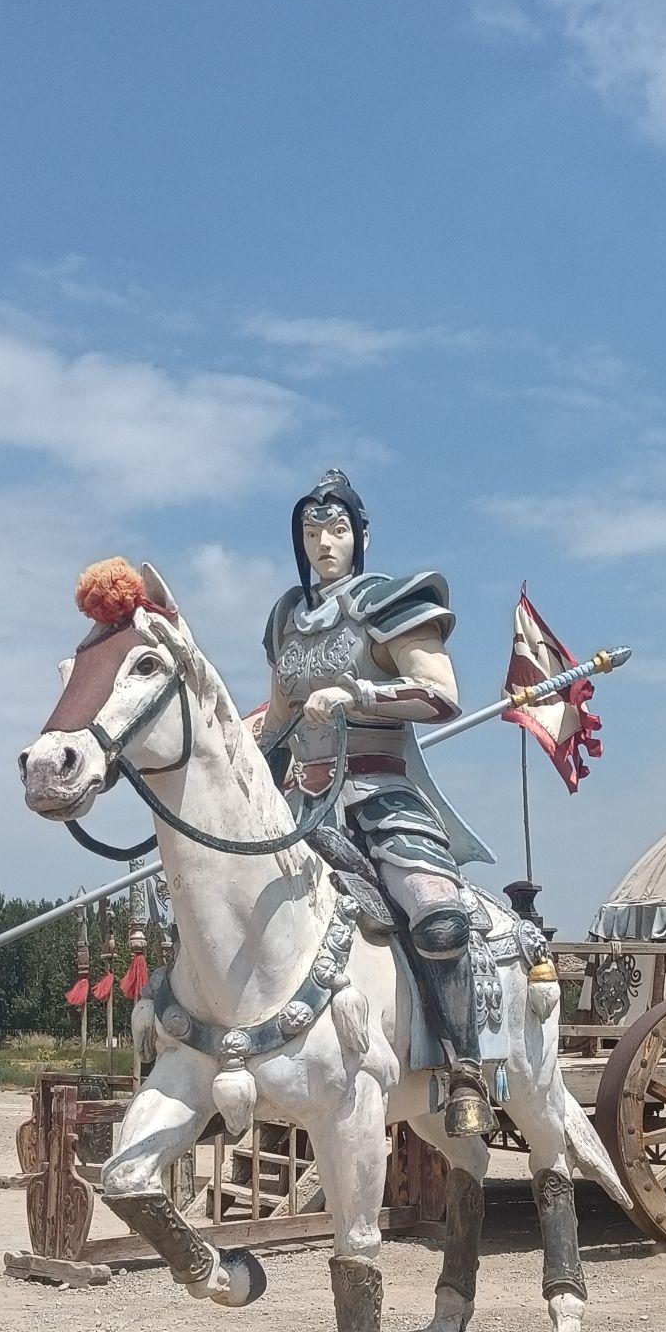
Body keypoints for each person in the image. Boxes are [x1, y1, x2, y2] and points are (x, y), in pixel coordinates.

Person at [256, 468, 497, 1137]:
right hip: (299, 801)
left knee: (437, 916)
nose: (323, 543)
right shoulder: (286, 619)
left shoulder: (388, 601)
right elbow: (275, 723)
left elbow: (441, 694)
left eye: (336, 529)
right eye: (311, 532)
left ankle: (464, 1066)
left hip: (378, 792)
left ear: (362, 535)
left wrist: (358, 693)